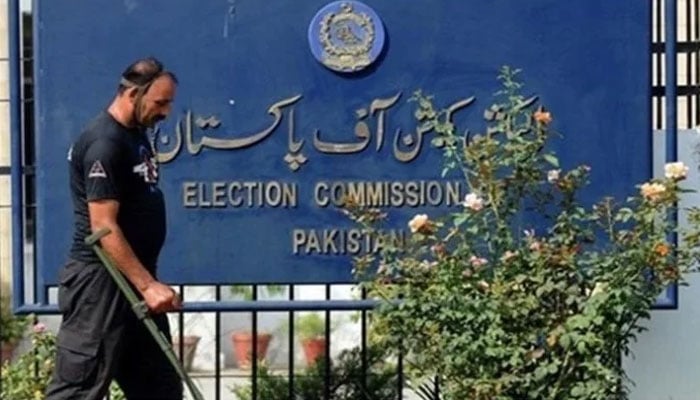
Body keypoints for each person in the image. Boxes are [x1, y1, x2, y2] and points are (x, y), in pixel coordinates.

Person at [46, 57, 183, 400]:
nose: (166, 112)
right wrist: (148, 286)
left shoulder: (135, 134)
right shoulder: (104, 143)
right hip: (102, 284)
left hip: (133, 281)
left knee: (160, 390)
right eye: (160, 103)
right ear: (132, 94)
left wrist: (145, 284)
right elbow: (103, 227)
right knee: (78, 390)